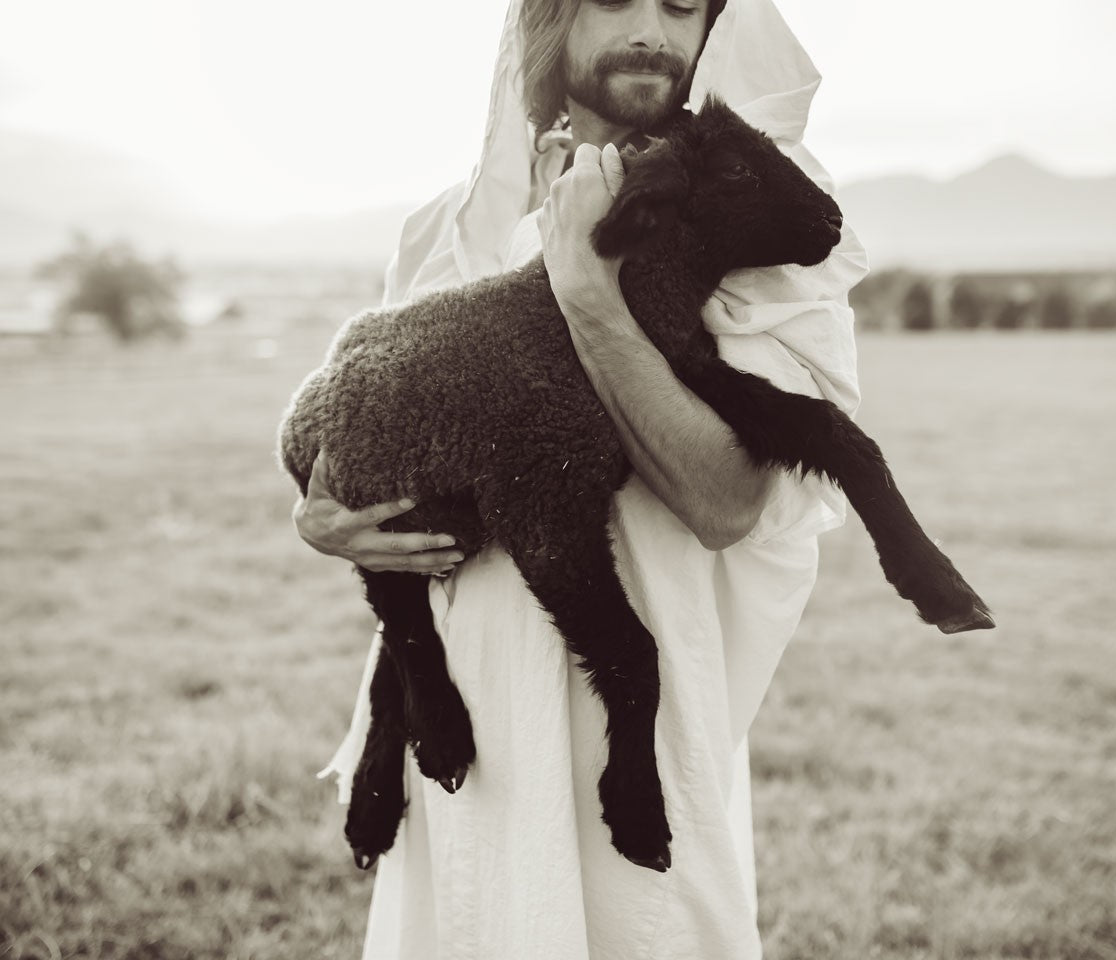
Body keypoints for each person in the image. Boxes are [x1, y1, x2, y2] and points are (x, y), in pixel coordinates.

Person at [293, 0, 868, 956]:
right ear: (547, 19)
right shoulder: (446, 227)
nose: (651, 29)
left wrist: (589, 293)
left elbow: (729, 503)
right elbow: (378, 434)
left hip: (634, 720)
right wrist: (323, 520)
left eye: (681, 5)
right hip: (463, 708)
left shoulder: (750, 224)